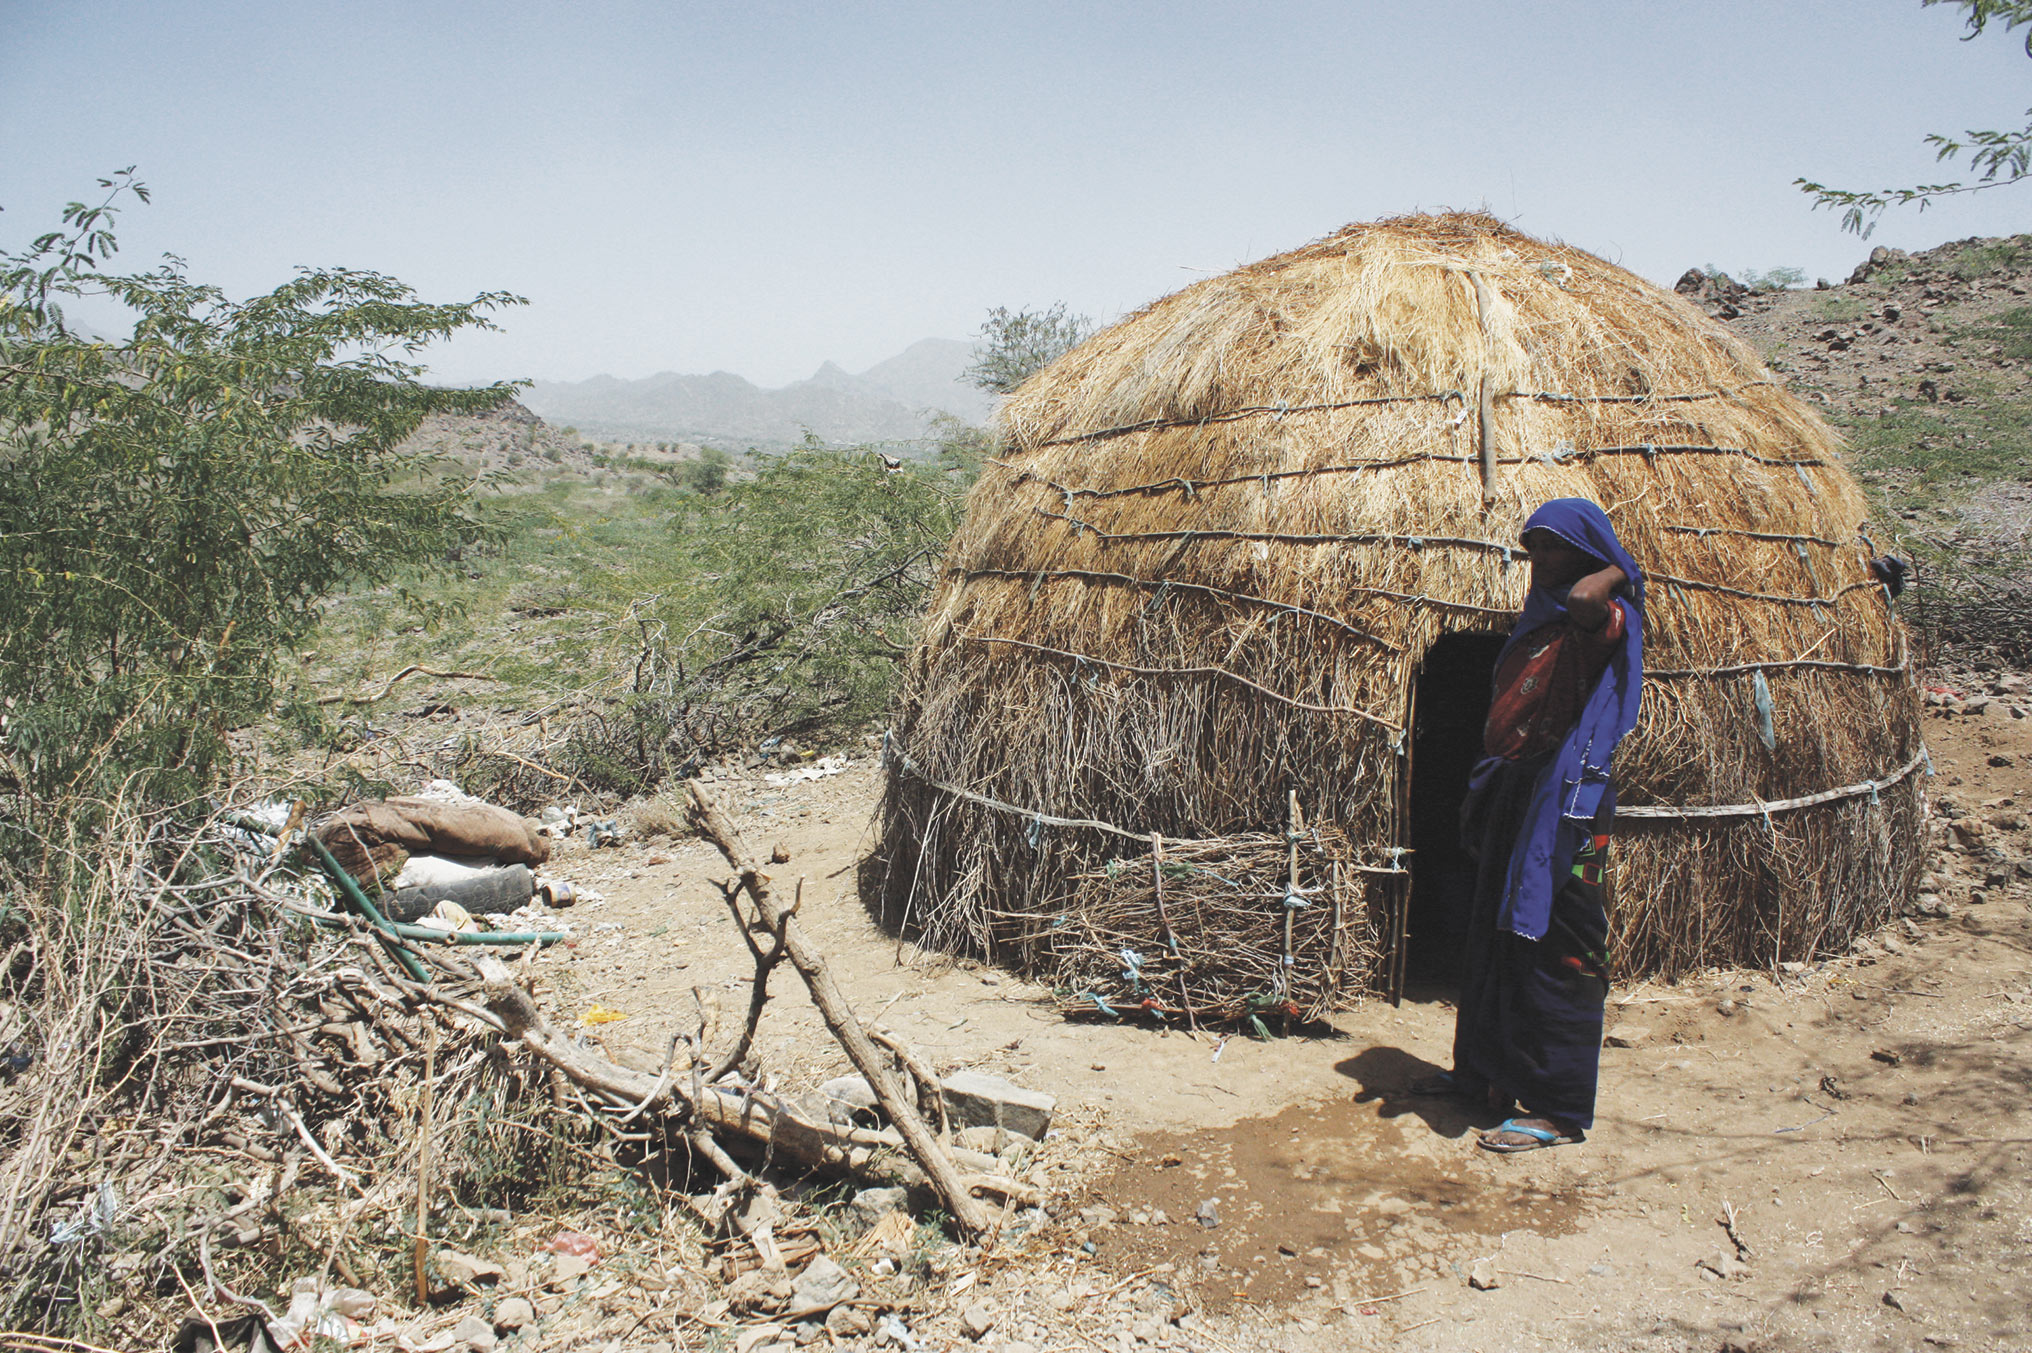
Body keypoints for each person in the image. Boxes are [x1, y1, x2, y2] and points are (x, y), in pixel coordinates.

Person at [1412, 498, 1645, 1152]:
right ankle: (1484, 1076)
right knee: (1496, 934)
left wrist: (1621, 570)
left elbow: (1587, 601)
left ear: (1587, 556)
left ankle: (1558, 1108)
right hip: (1517, 793)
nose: (1538, 559)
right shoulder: (1540, 622)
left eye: (1552, 546)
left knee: (1561, 944)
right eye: (1532, 546)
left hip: (1566, 804)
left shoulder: (1601, 618)